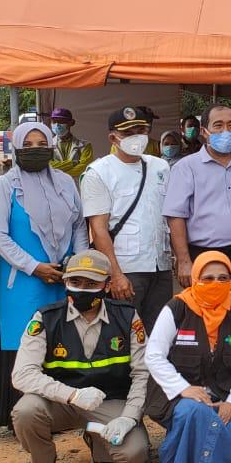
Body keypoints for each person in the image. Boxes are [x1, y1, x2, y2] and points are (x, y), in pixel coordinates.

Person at [10, 250, 150, 463]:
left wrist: (129, 417)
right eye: (75, 282)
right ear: (65, 282)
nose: (82, 290)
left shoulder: (127, 317)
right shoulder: (45, 318)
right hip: (60, 403)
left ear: (107, 286)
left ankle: (95, 438)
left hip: (109, 403)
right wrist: (72, 395)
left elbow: (142, 373)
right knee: (26, 411)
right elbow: (22, 374)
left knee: (134, 455)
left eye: (91, 284)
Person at [0, 121, 86, 428]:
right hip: (24, 279)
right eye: (27, 144)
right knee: (25, 339)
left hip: (63, 276)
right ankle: (22, 419)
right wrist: (34, 267)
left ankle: (59, 416)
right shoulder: (4, 185)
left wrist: (77, 264)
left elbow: (79, 224)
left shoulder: (66, 182)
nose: (34, 149)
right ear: (15, 147)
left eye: (40, 143)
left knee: (60, 339)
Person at [145, 250, 231, 463]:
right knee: (194, 413)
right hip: (180, 397)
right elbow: (153, 355)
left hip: (224, 396)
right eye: (207, 278)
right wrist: (183, 389)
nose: (215, 284)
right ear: (195, 279)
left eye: (222, 278)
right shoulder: (177, 308)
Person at [82, 107, 173, 337]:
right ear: (113, 137)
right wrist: (116, 274)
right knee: (124, 335)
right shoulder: (98, 172)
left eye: (141, 130)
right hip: (126, 269)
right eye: (129, 132)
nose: (137, 136)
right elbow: (99, 229)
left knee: (159, 336)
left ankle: (152, 375)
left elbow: (170, 216)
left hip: (160, 265)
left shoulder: (160, 167)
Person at [165, 104, 231, 291]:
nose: (226, 131)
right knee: (206, 314)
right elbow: (175, 216)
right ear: (204, 131)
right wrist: (183, 261)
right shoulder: (186, 168)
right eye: (218, 125)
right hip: (203, 255)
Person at [48, 108, 93, 182]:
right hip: (55, 187)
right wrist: (74, 162)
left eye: (61, 121)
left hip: (77, 187)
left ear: (71, 123)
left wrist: (58, 174)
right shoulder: (47, 145)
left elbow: (83, 168)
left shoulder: (85, 146)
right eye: (54, 122)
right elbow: (48, 166)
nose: (57, 125)